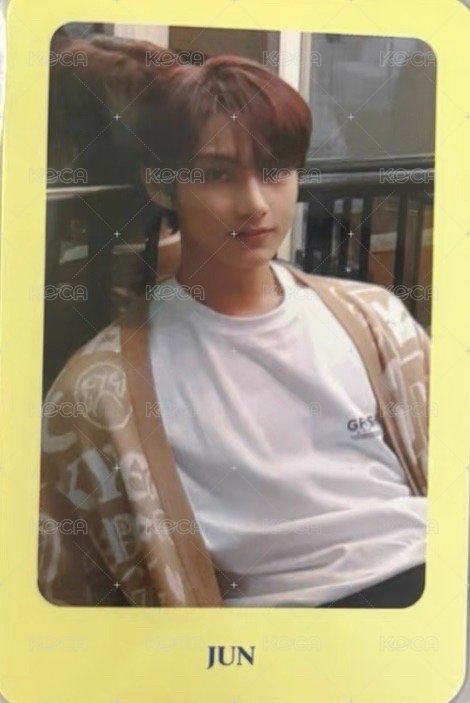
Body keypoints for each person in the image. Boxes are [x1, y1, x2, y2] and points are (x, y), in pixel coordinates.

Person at [39, 53, 429, 608]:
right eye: (217, 174)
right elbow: (65, 595)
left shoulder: (376, 321)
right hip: (274, 637)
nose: (254, 205)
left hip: (429, 583)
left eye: (275, 171)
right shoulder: (101, 390)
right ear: (162, 186)